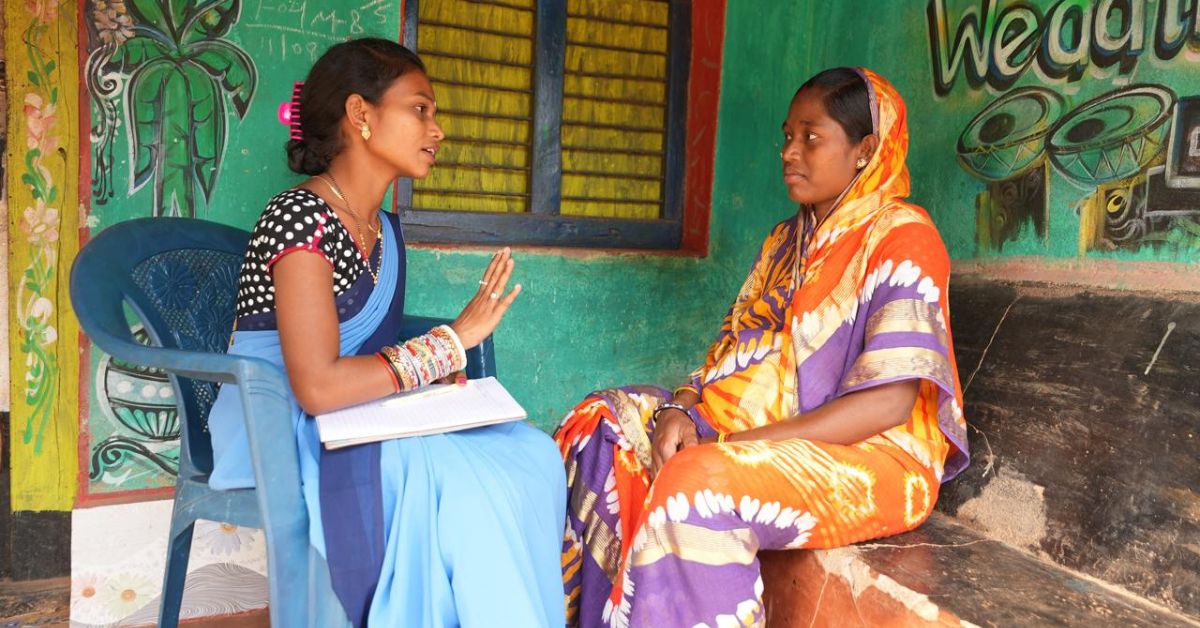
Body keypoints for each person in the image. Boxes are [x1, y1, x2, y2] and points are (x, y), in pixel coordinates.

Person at [555, 68, 969, 627]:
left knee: (695, 484)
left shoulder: (903, 237)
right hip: (752, 430)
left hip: (873, 455)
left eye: (811, 137)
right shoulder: (784, 241)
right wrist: (680, 408)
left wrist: (728, 443)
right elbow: (726, 350)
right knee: (600, 424)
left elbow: (888, 404)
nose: (789, 152)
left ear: (865, 150)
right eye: (787, 136)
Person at [205, 38, 566, 627]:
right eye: (420, 109)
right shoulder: (297, 216)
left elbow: (371, 356)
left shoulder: (383, 230)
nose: (437, 128)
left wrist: (440, 365)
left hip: (359, 413)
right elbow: (317, 386)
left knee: (530, 454)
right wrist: (450, 342)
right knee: (461, 484)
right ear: (360, 115)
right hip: (282, 419)